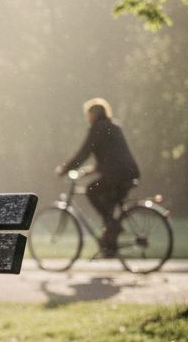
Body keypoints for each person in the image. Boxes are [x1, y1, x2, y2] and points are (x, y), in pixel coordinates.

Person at [55, 98, 140, 256]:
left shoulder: (97, 128)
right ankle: (109, 245)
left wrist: (65, 168)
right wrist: (92, 170)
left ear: (93, 114)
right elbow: (113, 155)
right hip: (129, 172)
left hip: (116, 175)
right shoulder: (114, 126)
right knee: (108, 205)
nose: (87, 118)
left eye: (88, 114)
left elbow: (83, 153)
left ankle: (113, 227)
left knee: (91, 190)